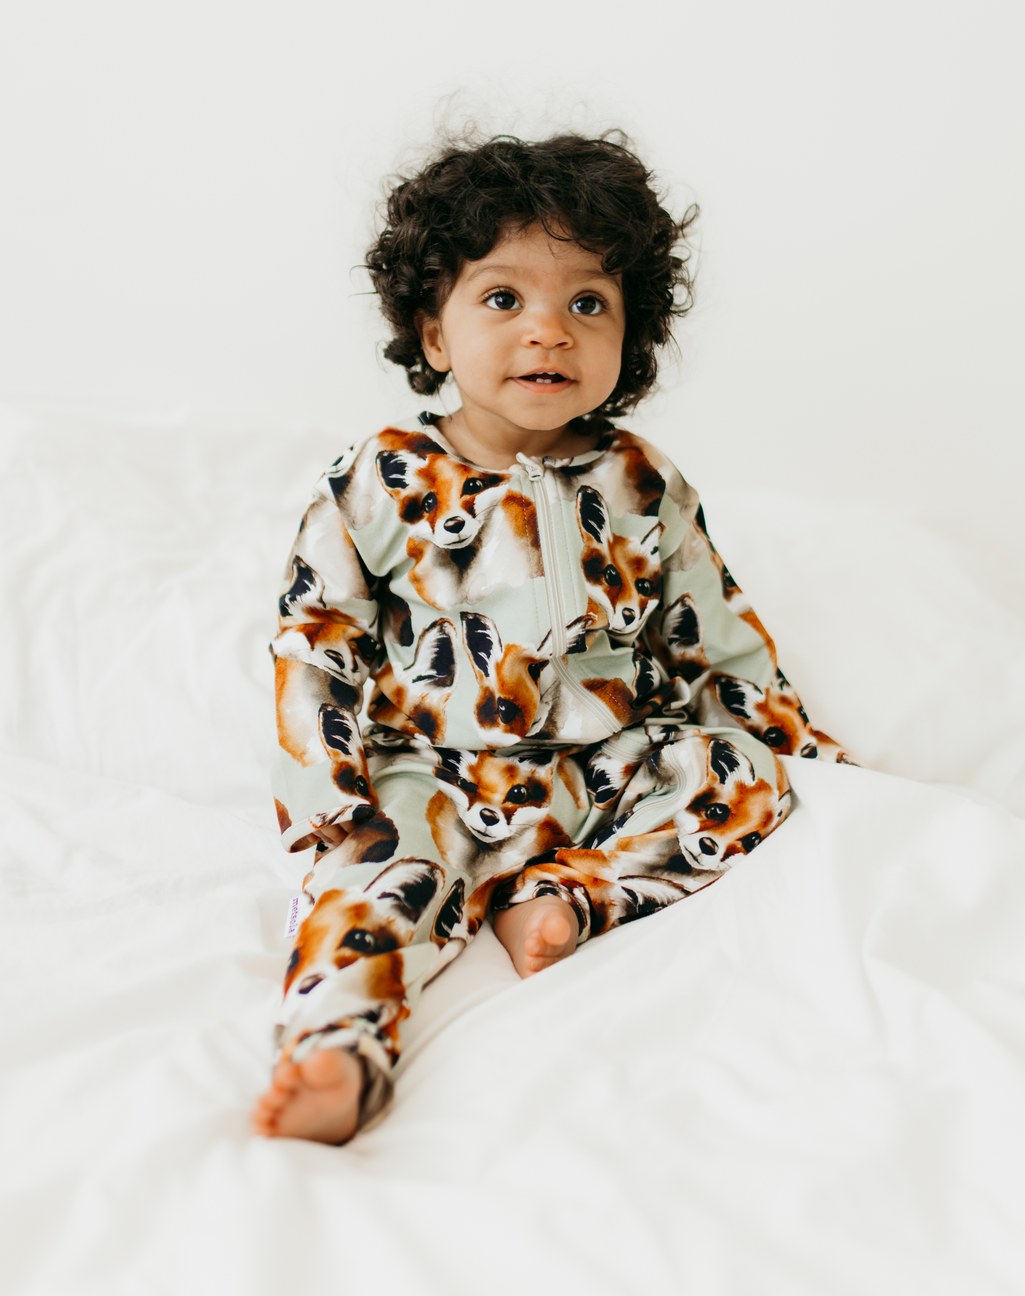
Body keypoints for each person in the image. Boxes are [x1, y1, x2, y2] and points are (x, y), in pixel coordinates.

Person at [250, 130, 851, 1145]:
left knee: (742, 775)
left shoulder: (641, 482)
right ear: (432, 334)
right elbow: (316, 644)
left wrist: (801, 755)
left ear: (631, 334)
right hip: (433, 775)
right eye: (502, 298)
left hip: (600, 772)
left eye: (587, 304)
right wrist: (332, 802)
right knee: (369, 893)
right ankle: (336, 1048)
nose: (548, 332)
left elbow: (714, 640)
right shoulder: (376, 481)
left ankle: (564, 898)